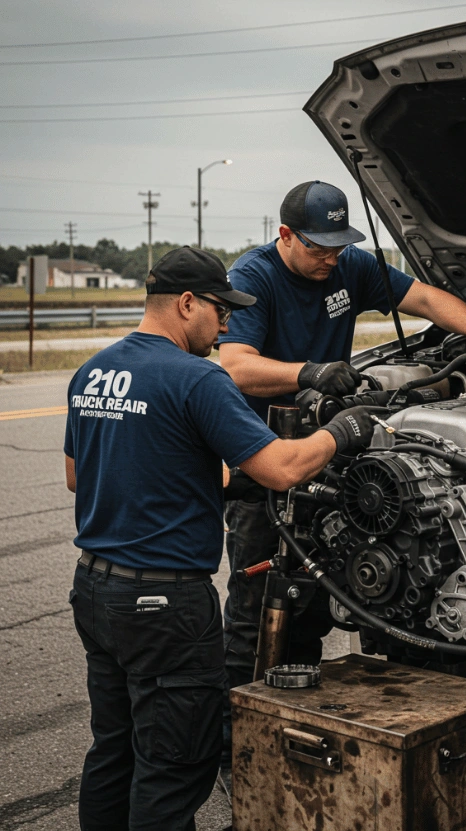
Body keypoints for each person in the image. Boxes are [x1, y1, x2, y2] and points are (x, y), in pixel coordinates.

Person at [64, 246, 378, 831]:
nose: (227, 325)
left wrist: (213, 481)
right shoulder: (198, 378)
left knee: (114, 750)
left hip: (95, 592)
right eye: (220, 310)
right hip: (165, 606)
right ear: (187, 304)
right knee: (173, 765)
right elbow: (283, 468)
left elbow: (79, 475)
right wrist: (342, 433)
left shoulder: (95, 369)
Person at [216, 181, 466, 728]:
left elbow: (423, 298)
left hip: (333, 450)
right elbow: (234, 364)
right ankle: (238, 740)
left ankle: (331, 718)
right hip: (269, 455)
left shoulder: (348, 265)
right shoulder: (254, 276)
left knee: (345, 590)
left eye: (338, 245)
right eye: (318, 247)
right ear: (285, 235)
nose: (331, 257)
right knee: (260, 604)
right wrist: (305, 372)